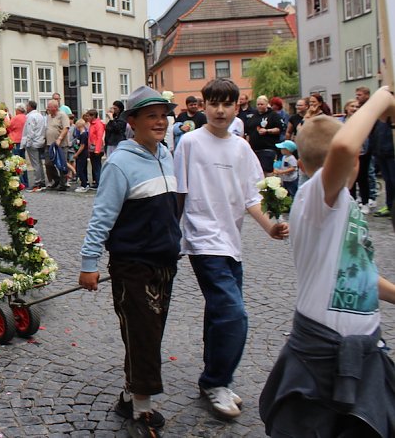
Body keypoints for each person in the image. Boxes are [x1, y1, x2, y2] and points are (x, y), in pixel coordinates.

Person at [259, 88, 395, 437]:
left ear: (300, 164)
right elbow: (344, 147)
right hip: (320, 355)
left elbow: (356, 273)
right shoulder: (317, 198)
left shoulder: (341, 204)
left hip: (364, 351)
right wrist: (382, 98)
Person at [173, 79, 288, 420]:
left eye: (227, 104)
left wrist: (270, 226)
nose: (220, 110)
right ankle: (216, 381)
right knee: (233, 313)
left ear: (238, 107)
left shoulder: (241, 148)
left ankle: (214, 376)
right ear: (204, 105)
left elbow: (252, 196)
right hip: (202, 240)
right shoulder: (190, 143)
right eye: (214, 103)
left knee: (219, 313)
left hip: (230, 243)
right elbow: (179, 192)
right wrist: (170, 238)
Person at [79, 86, 180, 438]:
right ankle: (142, 407)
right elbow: (101, 218)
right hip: (132, 264)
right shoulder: (120, 164)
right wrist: (89, 264)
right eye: (151, 115)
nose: (160, 121)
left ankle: (128, 394)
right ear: (132, 121)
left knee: (150, 332)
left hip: (165, 261)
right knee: (142, 332)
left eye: (163, 115)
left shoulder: (166, 154)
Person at [245, 95, 284, 176]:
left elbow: (279, 129)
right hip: (254, 150)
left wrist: (267, 131)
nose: (259, 106)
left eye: (261, 104)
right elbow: (248, 132)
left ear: (266, 104)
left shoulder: (273, 115)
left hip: (268, 149)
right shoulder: (253, 116)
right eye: (258, 104)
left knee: (267, 172)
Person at [44, 99, 70, 191]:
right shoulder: (48, 116)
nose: (47, 108)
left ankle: (63, 184)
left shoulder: (62, 115)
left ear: (55, 108)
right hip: (49, 144)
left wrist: (59, 138)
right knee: (48, 163)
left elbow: (66, 128)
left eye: (49, 107)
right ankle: (56, 179)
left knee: (61, 164)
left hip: (60, 145)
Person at [21, 100, 46, 191]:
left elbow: (30, 131)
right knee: (39, 163)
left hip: (33, 142)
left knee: (35, 164)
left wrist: (27, 143)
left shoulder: (31, 117)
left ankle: (37, 182)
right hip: (40, 141)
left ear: (30, 107)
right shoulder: (40, 115)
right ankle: (42, 181)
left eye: (27, 106)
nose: (26, 108)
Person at [7, 103, 28, 188]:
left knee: (16, 163)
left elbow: (8, 127)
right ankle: (26, 182)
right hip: (23, 141)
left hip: (15, 141)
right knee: (23, 162)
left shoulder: (16, 118)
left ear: (18, 110)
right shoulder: (26, 117)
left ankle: (20, 182)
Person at [85, 109, 105, 190]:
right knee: (94, 165)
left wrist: (97, 149)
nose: (87, 117)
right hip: (92, 148)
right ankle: (96, 181)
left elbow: (99, 137)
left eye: (88, 116)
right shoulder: (92, 124)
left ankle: (99, 182)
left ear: (93, 116)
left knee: (97, 166)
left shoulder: (98, 124)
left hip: (96, 148)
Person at [71, 119, 90, 192]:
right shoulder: (82, 133)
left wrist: (77, 154)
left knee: (80, 169)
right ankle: (85, 183)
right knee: (83, 169)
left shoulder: (83, 134)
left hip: (82, 154)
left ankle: (84, 185)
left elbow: (82, 146)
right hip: (82, 154)